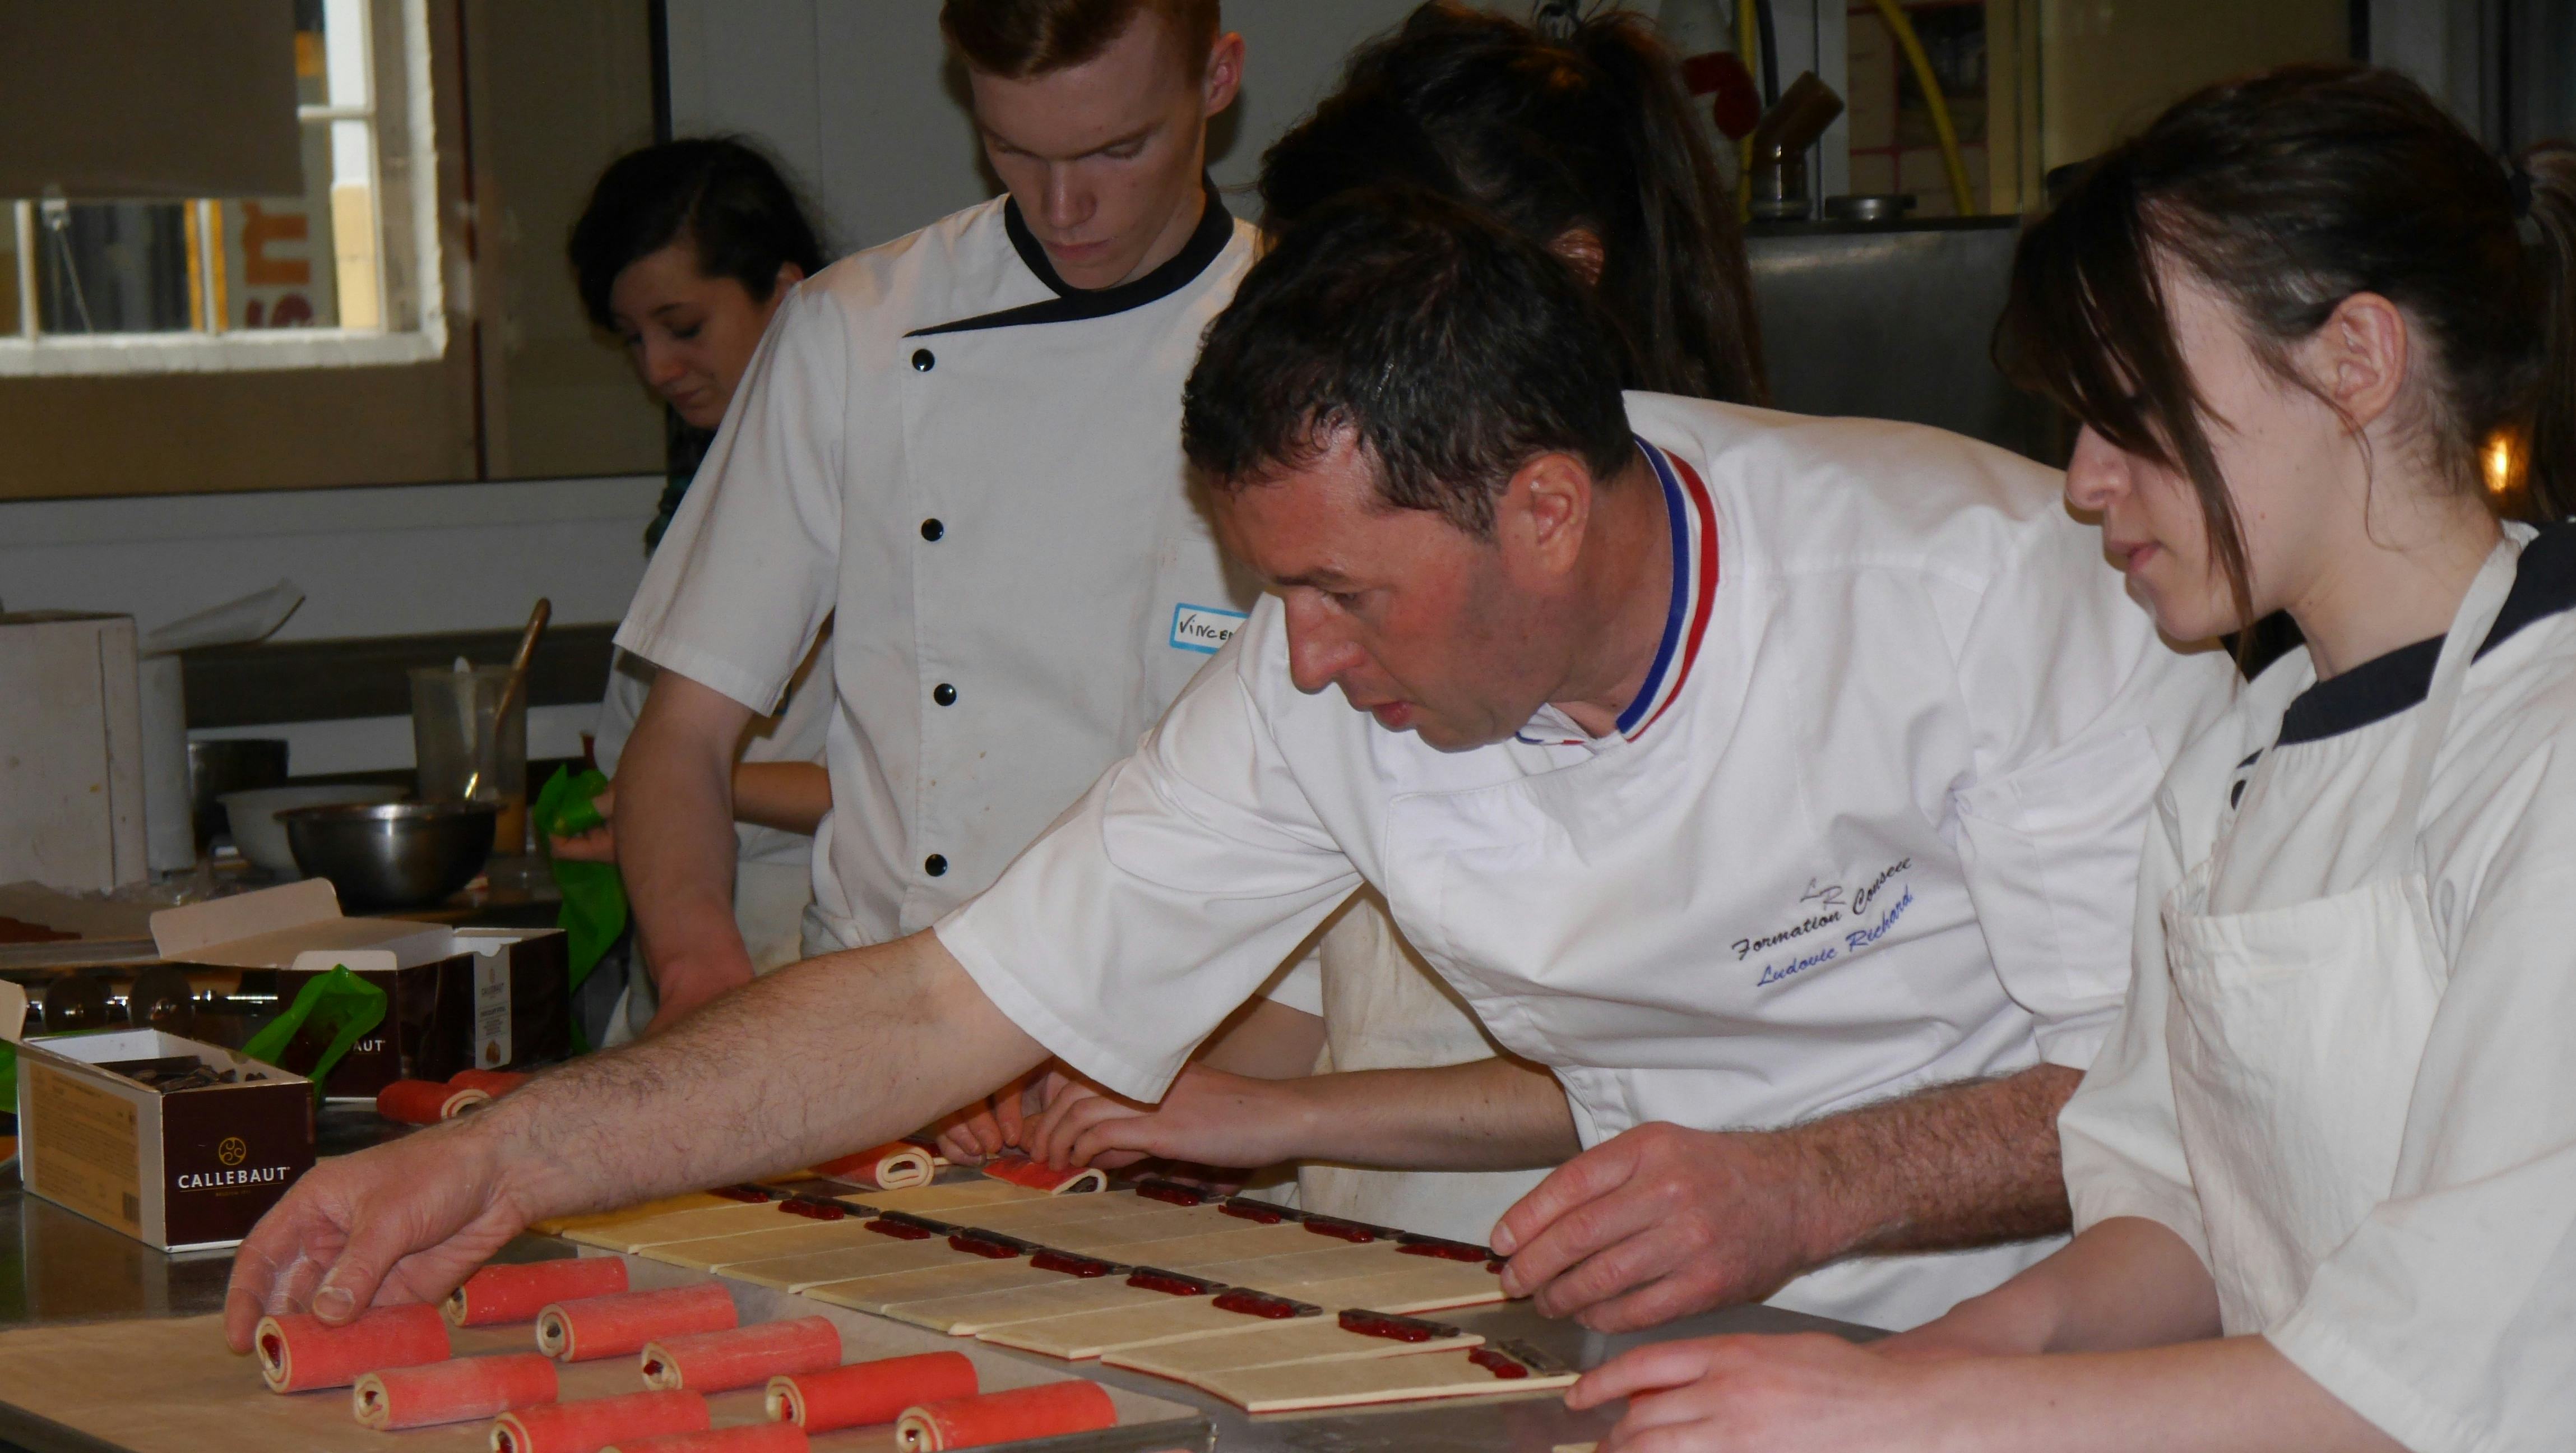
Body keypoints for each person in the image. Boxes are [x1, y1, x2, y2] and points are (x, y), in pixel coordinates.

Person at [221, 189, 2231, 1349]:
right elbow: (938, 998)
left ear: (1544, 508)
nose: (1304, 659)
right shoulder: (1314, 681)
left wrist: (1801, 1187)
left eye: (1344, 596)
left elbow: (2162, 1098)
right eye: (1276, 596)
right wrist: (502, 1157)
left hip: (2056, 1347)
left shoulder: (1978, 592)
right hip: (1678, 1354)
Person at [1566, 65, 2576, 1451]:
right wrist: (1881, 1379)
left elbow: (2439, 1374)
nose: (2087, 479)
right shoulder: (2236, 761)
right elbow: (2173, 1220)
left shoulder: (2550, 747)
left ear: (2357, 360)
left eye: (2129, 406)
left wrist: (1904, 1416)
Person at [1016, 0, 1777, 1246]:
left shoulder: (1692, 616)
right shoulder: (1377, 607)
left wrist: (1278, 1118)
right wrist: (1148, 1085)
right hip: (1376, 1254)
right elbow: (1333, 980)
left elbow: (1670, 1066)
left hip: (1564, 1257)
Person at [596, 0, 1315, 1064]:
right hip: (888, 1020)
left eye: (1120, 148)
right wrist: (703, 981)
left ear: (1218, 80)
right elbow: (684, 734)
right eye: (1014, 149)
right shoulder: (856, 333)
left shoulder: (1304, 334)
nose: (1066, 207)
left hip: (1208, 1043)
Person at [556, 138, 836, 1028]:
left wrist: (678, 785)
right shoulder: (698, 498)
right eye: (633, 339)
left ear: (788, 295)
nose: (656, 369)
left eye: (684, 328)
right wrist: (640, 809)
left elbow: (911, 788)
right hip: (691, 973)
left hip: (810, 955)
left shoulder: (884, 501)